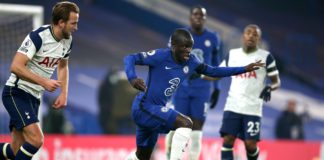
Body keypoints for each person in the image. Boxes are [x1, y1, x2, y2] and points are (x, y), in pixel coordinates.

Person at [124, 28, 264, 160]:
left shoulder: (191, 61)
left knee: (141, 157)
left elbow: (214, 71)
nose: (188, 51)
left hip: (154, 112)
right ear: (173, 46)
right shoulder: (160, 56)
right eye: (184, 47)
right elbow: (130, 58)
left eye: (190, 47)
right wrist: (132, 78)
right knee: (185, 123)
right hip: (144, 107)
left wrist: (244, 68)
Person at [0, 2, 79, 160]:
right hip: (16, 93)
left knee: (16, 151)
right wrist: (44, 81)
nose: (76, 27)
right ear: (61, 22)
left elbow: (63, 66)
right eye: (73, 23)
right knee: (36, 139)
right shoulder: (38, 36)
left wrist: (64, 93)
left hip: (34, 97)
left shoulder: (67, 40)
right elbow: (15, 66)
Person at [165, 5, 222, 160]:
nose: (198, 17)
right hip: (181, 89)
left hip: (202, 90)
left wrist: (217, 88)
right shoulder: (179, 35)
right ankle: (169, 156)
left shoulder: (213, 38)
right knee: (176, 126)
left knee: (197, 128)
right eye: (195, 15)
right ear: (190, 17)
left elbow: (216, 64)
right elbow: (168, 60)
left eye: (201, 15)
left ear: (205, 18)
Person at [219, 24, 281, 160]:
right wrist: (200, 72)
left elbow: (276, 81)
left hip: (252, 109)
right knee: (228, 139)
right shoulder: (233, 54)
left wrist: (271, 87)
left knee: (250, 144)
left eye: (255, 34)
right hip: (233, 105)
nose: (251, 36)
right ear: (243, 36)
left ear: (259, 38)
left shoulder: (266, 57)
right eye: (249, 32)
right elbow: (217, 72)